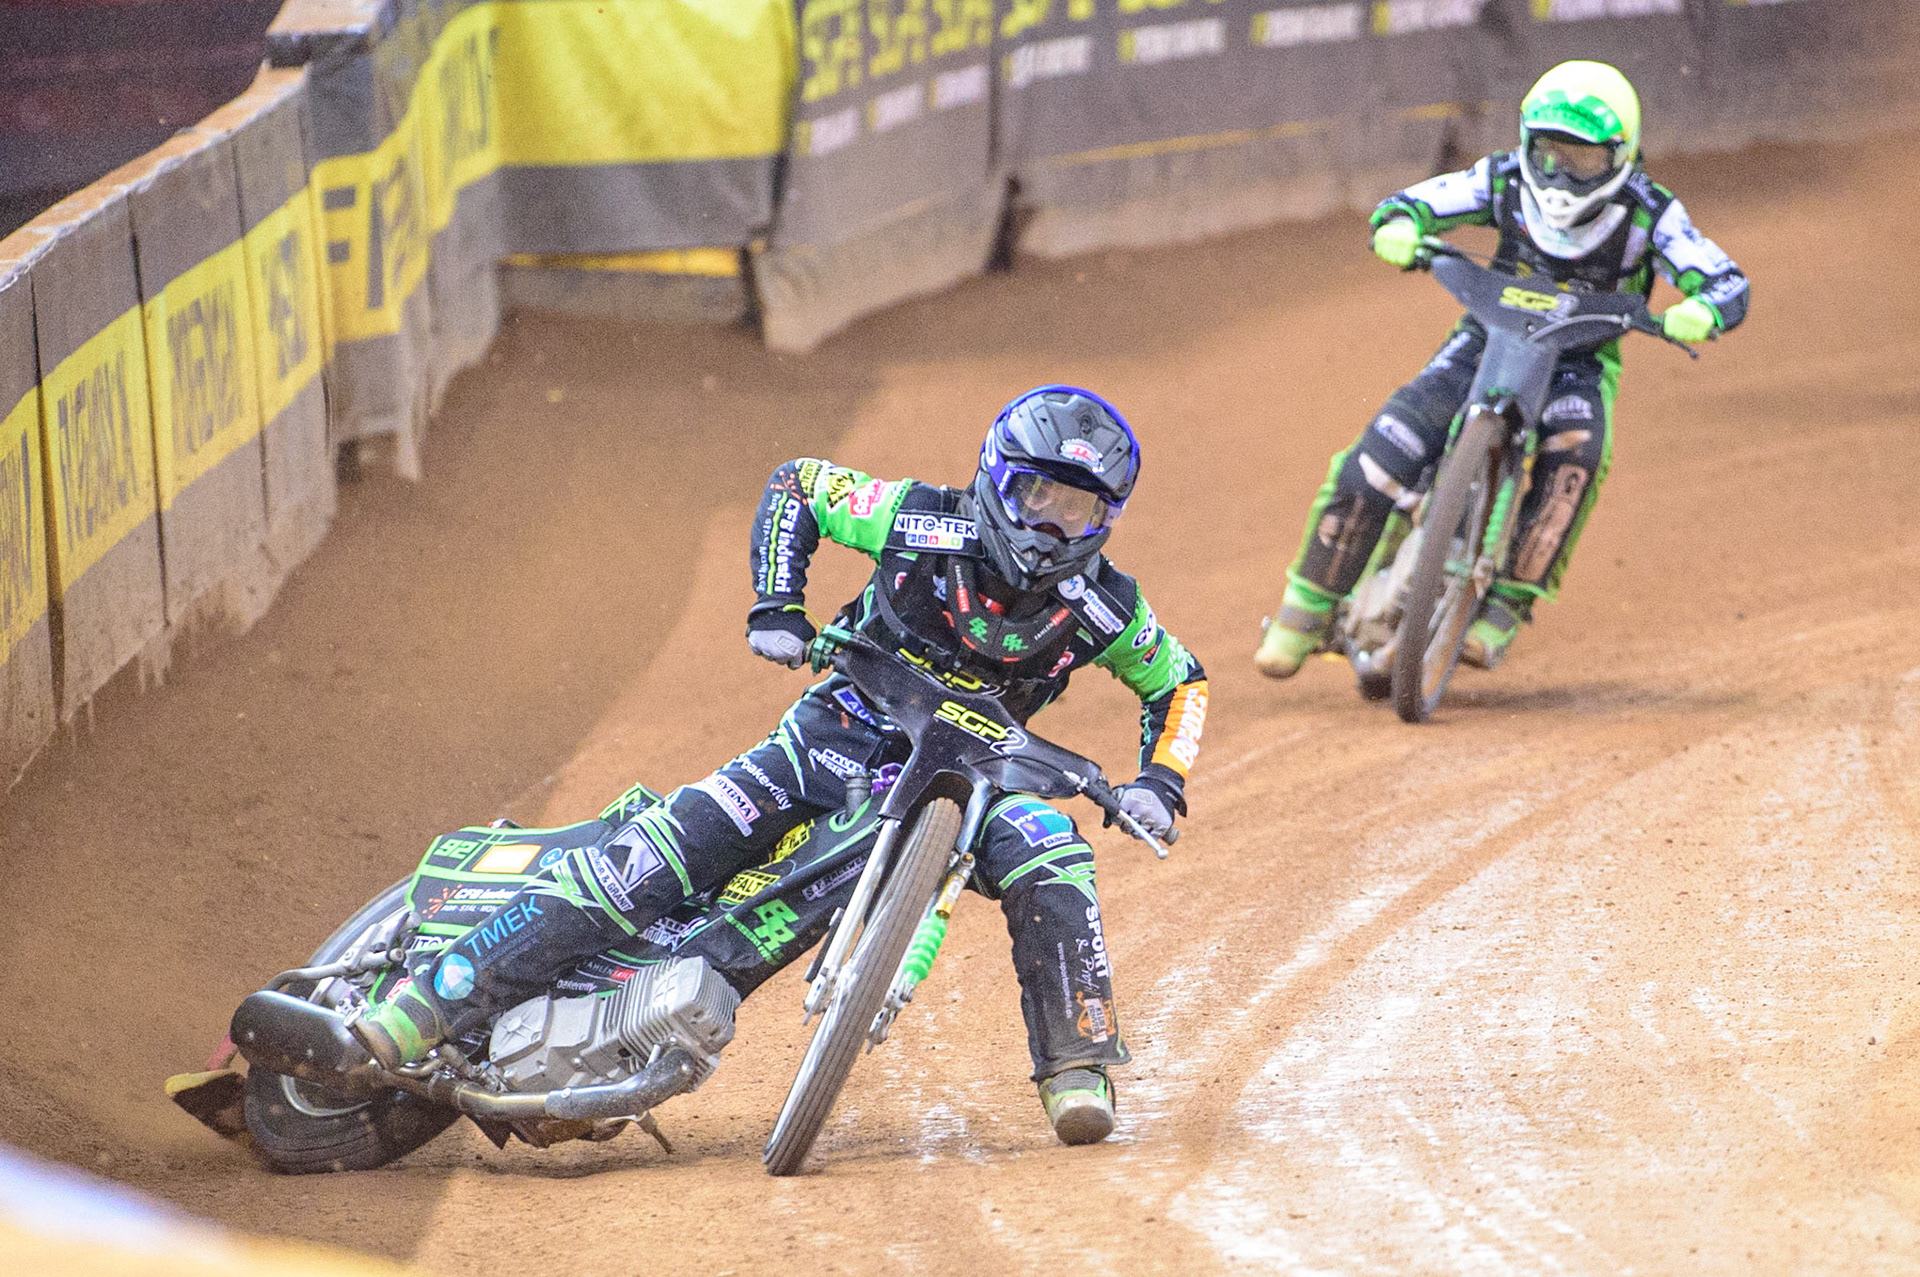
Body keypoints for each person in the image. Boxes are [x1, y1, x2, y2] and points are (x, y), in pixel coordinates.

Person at [350, 386, 1208, 1145]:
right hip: (832, 732)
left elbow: (1180, 681)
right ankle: (430, 1000)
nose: (1052, 524)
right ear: (994, 477)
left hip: (969, 783)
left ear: (1107, 522)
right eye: (1037, 495)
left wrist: (1160, 782)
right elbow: (800, 485)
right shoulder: (915, 516)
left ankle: (1078, 1068)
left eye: (1080, 511)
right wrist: (777, 603)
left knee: (1053, 851)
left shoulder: (1106, 609)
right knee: (656, 858)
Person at [1254, 60, 1748, 678]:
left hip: (1579, 359)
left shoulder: (1652, 214)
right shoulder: (1502, 179)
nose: (1561, 173)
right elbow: (1414, 203)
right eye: (1549, 152)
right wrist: (1400, 227)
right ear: (1526, 143)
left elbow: (1726, 281)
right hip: (1486, 337)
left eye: (1583, 159)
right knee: (1383, 450)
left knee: (1576, 460)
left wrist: (1703, 310)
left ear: (1622, 154)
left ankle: (1506, 609)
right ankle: (1304, 613)